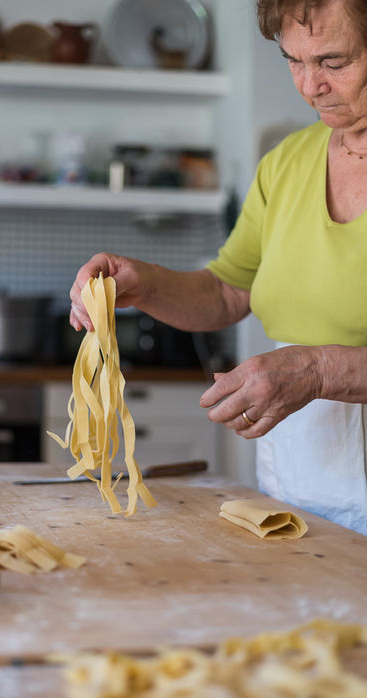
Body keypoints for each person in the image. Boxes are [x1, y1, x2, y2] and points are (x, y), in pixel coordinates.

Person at [69, 0, 367, 535]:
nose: (309, 86)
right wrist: (144, 285)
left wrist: (320, 370)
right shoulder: (287, 162)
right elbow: (230, 290)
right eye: (293, 60)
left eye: (334, 62)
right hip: (298, 478)